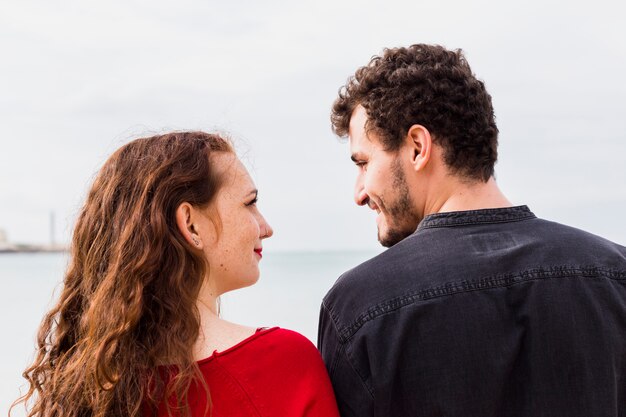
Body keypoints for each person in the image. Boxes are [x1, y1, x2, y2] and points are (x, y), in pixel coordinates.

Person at [318, 44, 626, 417]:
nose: (359, 192)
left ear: (417, 147)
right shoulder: (616, 274)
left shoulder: (359, 305)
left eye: (364, 163)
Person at [14, 132, 340, 417]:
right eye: (250, 203)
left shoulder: (84, 387)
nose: (266, 228)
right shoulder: (280, 364)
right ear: (191, 223)